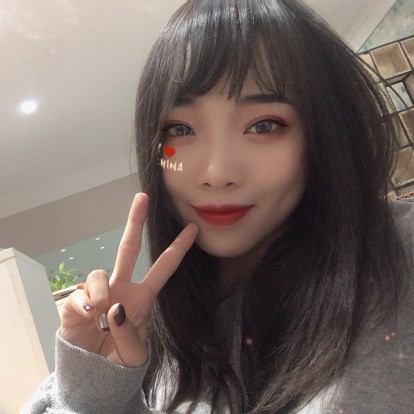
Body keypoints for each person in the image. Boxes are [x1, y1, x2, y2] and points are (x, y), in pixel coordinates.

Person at [23, 0, 414, 413]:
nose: (216, 173)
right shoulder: (146, 346)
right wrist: (96, 393)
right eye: (181, 129)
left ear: (323, 131)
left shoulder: (397, 261)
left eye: (263, 125)